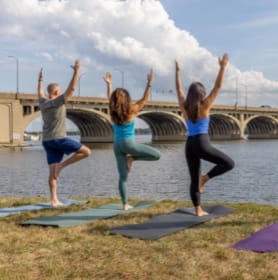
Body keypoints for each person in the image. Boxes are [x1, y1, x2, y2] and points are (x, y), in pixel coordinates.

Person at [175, 54, 235, 216]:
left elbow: (179, 90)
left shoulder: (184, 106)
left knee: (193, 178)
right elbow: (217, 87)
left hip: (189, 145)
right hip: (202, 143)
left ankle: (198, 210)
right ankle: (206, 178)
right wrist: (222, 67)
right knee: (229, 164)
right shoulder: (205, 105)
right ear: (202, 94)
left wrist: (177, 73)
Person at [103, 70, 161, 210]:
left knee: (123, 177)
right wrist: (149, 84)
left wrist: (109, 84)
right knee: (157, 155)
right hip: (129, 144)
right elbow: (144, 99)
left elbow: (110, 99)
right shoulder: (132, 109)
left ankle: (125, 204)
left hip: (117, 146)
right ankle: (132, 159)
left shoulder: (113, 111)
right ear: (127, 98)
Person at [37, 60, 91, 207]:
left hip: (47, 141)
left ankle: (54, 200)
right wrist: (76, 71)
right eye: (59, 90)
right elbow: (72, 88)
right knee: (86, 151)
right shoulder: (57, 101)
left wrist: (40, 79)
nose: (61, 92)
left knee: (52, 171)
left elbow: (40, 92)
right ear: (56, 92)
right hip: (59, 139)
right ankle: (62, 166)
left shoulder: (42, 102)